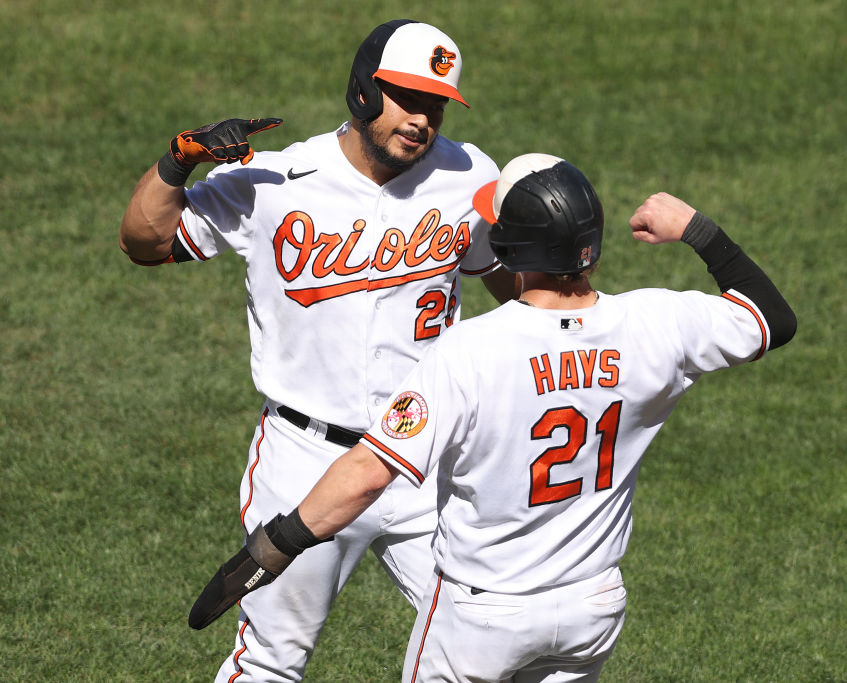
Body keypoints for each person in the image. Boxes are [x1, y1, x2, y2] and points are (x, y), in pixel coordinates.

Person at [188, 153, 798, 681]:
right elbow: (773, 318)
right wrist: (697, 230)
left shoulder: (469, 351)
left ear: (509, 245)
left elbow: (372, 472)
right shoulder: (660, 325)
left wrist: (274, 545)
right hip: (593, 608)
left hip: (482, 619)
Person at [120, 19, 515, 682]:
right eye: (407, 99)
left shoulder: (469, 176)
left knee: (491, 647)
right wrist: (177, 161)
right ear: (363, 92)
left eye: (435, 104)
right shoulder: (277, 180)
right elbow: (145, 243)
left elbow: (511, 285)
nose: (422, 119)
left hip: (426, 455)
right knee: (273, 660)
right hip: (305, 459)